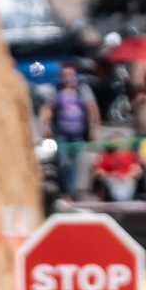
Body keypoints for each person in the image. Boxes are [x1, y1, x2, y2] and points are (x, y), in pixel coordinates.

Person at [36, 66, 100, 202]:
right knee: (63, 161)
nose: (68, 77)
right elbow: (47, 109)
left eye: (70, 74)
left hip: (77, 134)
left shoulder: (82, 90)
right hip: (61, 134)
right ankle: (64, 192)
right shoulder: (56, 90)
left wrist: (93, 129)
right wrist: (45, 126)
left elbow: (92, 109)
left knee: (75, 164)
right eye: (65, 74)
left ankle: (69, 194)